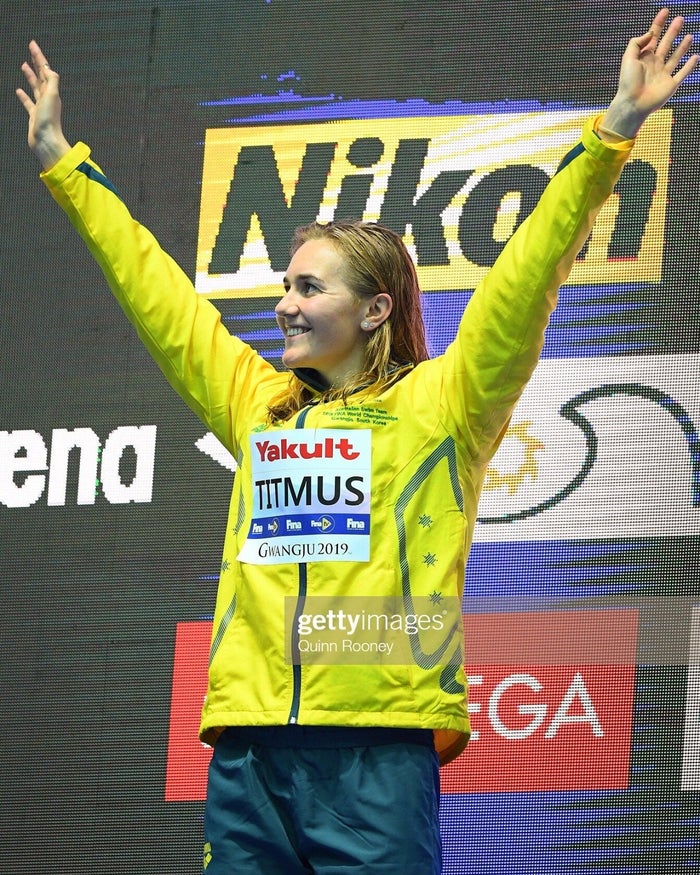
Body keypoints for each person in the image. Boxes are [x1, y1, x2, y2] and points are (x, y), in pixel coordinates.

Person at [16, 9, 697, 874]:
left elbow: (530, 268)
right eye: (284, 286)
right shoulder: (258, 402)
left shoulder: (444, 403)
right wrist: (63, 164)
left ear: (375, 308)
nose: (284, 304)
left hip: (379, 747)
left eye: (308, 287)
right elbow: (161, 295)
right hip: (250, 752)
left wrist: (611, 134)